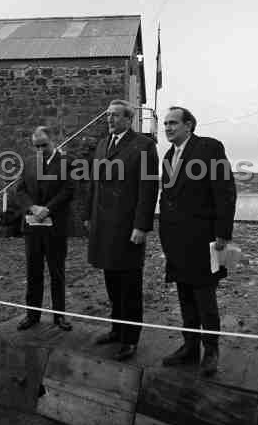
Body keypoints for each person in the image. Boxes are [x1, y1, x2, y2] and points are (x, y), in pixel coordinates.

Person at [159, 107, 236, 375]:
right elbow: (166, 197)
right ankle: (190, 347)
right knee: (184, 295)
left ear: (189, 125)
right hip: (175, 239)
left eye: (173, 123)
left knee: (205, 297)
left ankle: (211, 351)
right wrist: (164, 233)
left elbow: (225, 191)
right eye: (166, 123)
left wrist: (223, 233)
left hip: (204, 239)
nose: (167, 127)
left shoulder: (209, 148)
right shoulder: (168, 155)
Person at [85, 99, 159, 361]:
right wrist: (88, 216)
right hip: (104, 226)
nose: (110, 119)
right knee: (112, 282)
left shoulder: (144, 145)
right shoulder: (104, 144)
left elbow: (148, 189)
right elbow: (94, 182)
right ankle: (116, 330)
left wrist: (141, 226)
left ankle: (130, 339)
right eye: (108, 115)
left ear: (129, 119)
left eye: (115, 116)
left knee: (130, 287)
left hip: (128, 228)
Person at [16, 126, 74, 331]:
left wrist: (48, 209)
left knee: (57, 273)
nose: (40, 150)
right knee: (33, 272)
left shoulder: (67, 163)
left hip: (55, 228)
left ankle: (59, 317)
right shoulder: (29, 163)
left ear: (54, 140)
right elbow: (20, 190)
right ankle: (32, 315)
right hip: (32, 229)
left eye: (44, 145)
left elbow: (69, 190)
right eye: (36, 146)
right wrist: (32, 207)